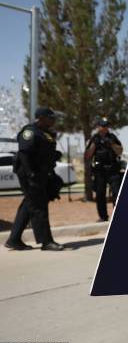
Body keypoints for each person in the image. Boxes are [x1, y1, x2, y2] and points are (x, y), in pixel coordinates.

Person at [4, 107, 64, 251]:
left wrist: (54, 155)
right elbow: (24, 154)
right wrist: (31, 174)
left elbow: (42, 153)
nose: (53, 120)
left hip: (42, 173)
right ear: (41, 118)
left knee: (29, 205)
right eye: (50, 117)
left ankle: (14, 240)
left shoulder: (46, 133)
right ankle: (46, 242)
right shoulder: (30, 131)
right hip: (30, 174)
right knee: (39, 207)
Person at [85, 117, 123, 222]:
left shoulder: (112, 137)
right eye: (103, 126)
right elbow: (88, 156)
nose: (105, 128)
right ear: (98, 127)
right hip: (100, 171)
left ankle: (118, 216)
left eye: (107, 126)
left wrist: (111, 144)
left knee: (116, 192)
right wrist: (94, 144)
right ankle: (103, 216)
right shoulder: (94, 138)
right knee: (100, 194)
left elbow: (120, 151)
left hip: (113, 169)